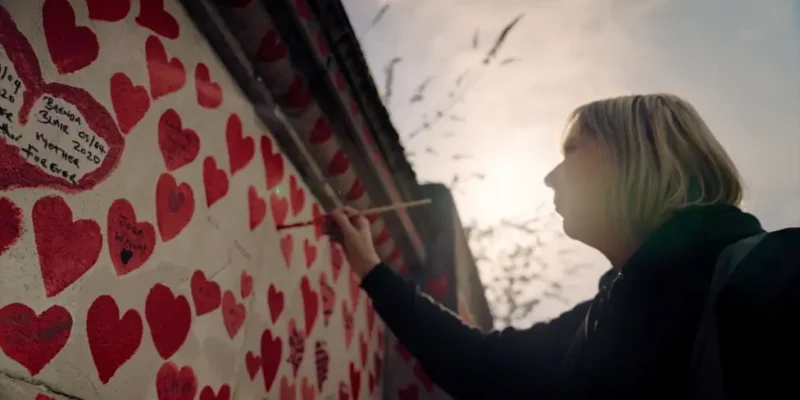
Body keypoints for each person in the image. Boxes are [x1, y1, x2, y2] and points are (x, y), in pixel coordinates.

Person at [328, 94, 792, 399]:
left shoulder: (775, 274)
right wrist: (370, 267)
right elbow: (482, 364)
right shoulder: (599, 321)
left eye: (573, 150)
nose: (551, 176)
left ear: (639, 157)